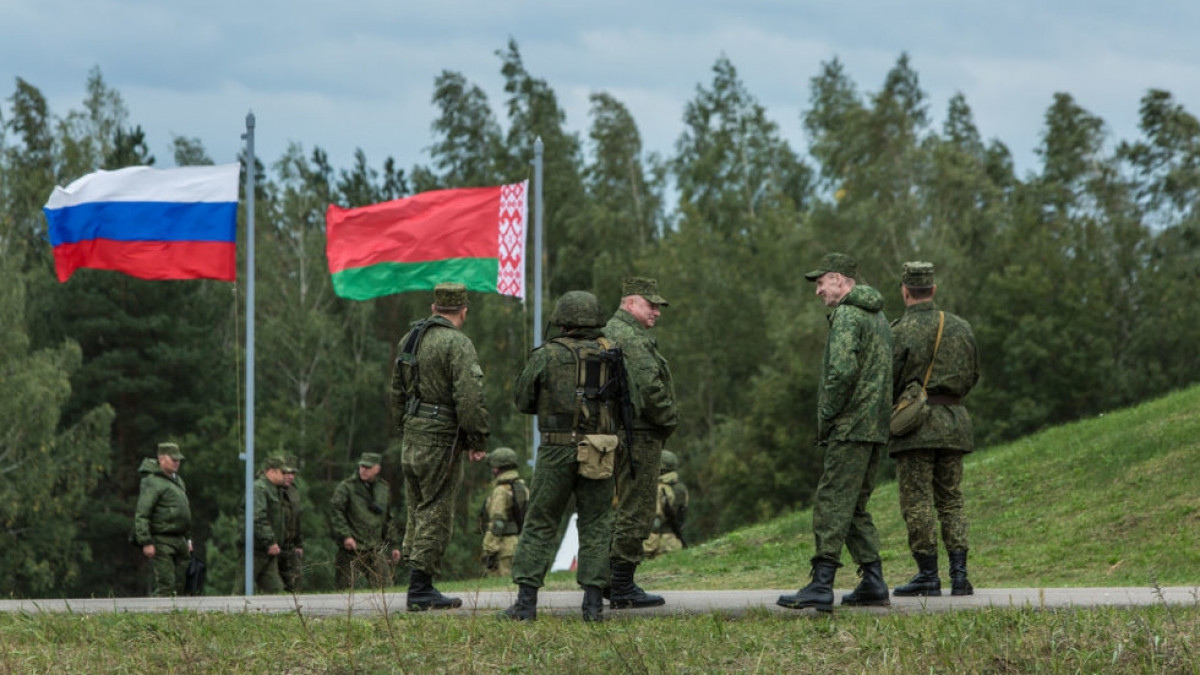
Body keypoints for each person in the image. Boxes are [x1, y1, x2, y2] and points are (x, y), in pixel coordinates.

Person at [779, 252, 892, 613]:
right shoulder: (880, 318)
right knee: (854, 505)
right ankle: (873, 582)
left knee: (831, 500)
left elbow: (842, 372)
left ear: (840, 280)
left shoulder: (847, 314)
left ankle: (821, 584)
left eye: (821, 282)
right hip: (876, 427)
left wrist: (827, 416)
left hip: (851, 425)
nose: (817, 291)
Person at [503, 290, 626, 621]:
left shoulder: (547, 355)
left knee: (541, 521)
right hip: (600, 448)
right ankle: (593, 606)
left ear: (562, 320)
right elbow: (630, 404)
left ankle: (526, 605)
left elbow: (523, 400)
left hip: (557, 447)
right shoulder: (612, 353)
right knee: (597, 523)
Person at [390, 281, 490, 611]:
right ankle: (420, 589)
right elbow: (470, 396)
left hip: (412, 434)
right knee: (436, 510)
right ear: (464, 310)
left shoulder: (411, 338)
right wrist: (476, 439)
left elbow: (396, 391)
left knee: (417, 507)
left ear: (434, 308)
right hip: (440, 438)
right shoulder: (457, 344)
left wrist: (405, 426)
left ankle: (417, 581)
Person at [889, 261, 981, 597]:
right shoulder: (961, 327)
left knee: (917, 501)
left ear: (904, 290)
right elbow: (972, 375)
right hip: (955, 423)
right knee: (952, 500)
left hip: (916, 428)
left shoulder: (898, 330)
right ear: (933, 289)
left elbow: (889, 379)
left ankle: (928, 575)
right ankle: (960, 575)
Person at [603, 276, 678, 609]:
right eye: (651, 305)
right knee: (638, 506)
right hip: (639, 433)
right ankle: (621, 585)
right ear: (629, 303)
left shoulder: (609, 331)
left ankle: (608, 579)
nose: (657, 312)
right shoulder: (630, 337)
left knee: (618, 506)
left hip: (616, 431)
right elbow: (650, 388)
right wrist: (668, 419)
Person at [328, 452, 401, 590]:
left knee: (385, 589)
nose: (363, 470)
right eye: (362, 466)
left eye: (368, 467)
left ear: (377, 469)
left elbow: (388, 518)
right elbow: (336, 512)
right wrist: (345, 536)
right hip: (352, 548)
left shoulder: (383, 488)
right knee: (345, 591)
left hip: (375, 547)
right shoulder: (347, 487)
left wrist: (394, 545)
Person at [132, 442, 193, 597]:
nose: (177, 463)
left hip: (180, 539)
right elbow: (142, 513)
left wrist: (188, 538)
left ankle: (176, 619)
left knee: (180, 585)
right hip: (162, 539)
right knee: (166, 585)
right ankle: (154, 616)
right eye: (173, 459)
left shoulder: (177, 481)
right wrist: (146, 541)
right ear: (162, 459)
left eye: (178, 460)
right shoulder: (152, 481)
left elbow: (184, 512)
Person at [241, 455, 288, 594]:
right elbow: (257, 517)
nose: (285, 476)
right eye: (282, 472)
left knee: (277, 592)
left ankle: (280, 614)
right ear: (271, 472)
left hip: (268, 551)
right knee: (242, 590)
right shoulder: (259, 488)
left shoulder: (274, 489)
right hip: (254, 549)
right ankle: (229, 614)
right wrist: (269, 541)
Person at [480, 447, 528, 578]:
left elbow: (498, 522)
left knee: (502, 588)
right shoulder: (521, 487)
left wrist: (488, 549)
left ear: (496, 469)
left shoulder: (501, 490)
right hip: (519, 543)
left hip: (503, 547)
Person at [643, 449, 689, 559]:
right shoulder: (681, 488)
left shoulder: (659, 489)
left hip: (658, 544)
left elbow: (655, 522)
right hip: (674, 541)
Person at [278, 458, 304, 592]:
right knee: (274, 585)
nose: (290, 477)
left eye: (293, 474)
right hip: (275, 544)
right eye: (287, 473)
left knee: (296, 579)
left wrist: (299, 544)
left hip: (290, 545)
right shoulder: (271, 491)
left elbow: (296, 519)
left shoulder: (293, 492)